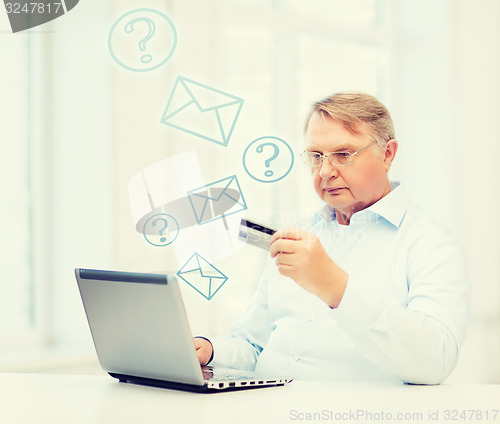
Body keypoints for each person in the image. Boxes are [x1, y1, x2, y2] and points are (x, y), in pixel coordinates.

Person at [194, 92, 470, 384]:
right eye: (316, 156)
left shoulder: (431, 244)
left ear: (387, 154)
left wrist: (336, 287)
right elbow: (253, 344)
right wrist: (209, 350)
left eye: (343, 154)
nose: (325, 172)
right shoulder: (299, 235)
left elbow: (435, 363)